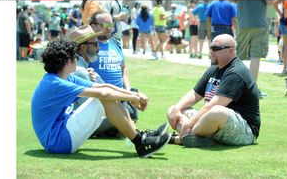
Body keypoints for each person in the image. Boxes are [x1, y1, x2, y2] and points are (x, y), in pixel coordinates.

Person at [31, 39, 171, 157]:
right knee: (103, 99)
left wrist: (133, 95)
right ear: (68, 61)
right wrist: (132, 99)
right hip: (59, 142)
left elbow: (101, 87)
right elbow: (103, 93)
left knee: (105, 95)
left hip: (61, 134)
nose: (78, 59)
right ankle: (141, 143)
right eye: (75, 57)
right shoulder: (56, 83)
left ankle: (140, 137)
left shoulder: (63, 77)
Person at [166, 34, 260, 147]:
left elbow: (213, 105)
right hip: (211, 122)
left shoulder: (236, 72)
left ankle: (179, 138)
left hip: (244, 130)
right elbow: (195, 94)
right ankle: (197, 137)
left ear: (231, 50)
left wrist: (189, 124)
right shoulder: (215, 69)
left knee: (217, 111)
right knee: (173, 110)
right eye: (210, 48)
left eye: (215, 48)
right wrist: (177, 108)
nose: (211, 51)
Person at [235, 0, 274, 98]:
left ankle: (236, 87)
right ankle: (252, 89)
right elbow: (270, 2)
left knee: (239, 57)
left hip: (243, 23)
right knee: (255, 57)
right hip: (259, 24)